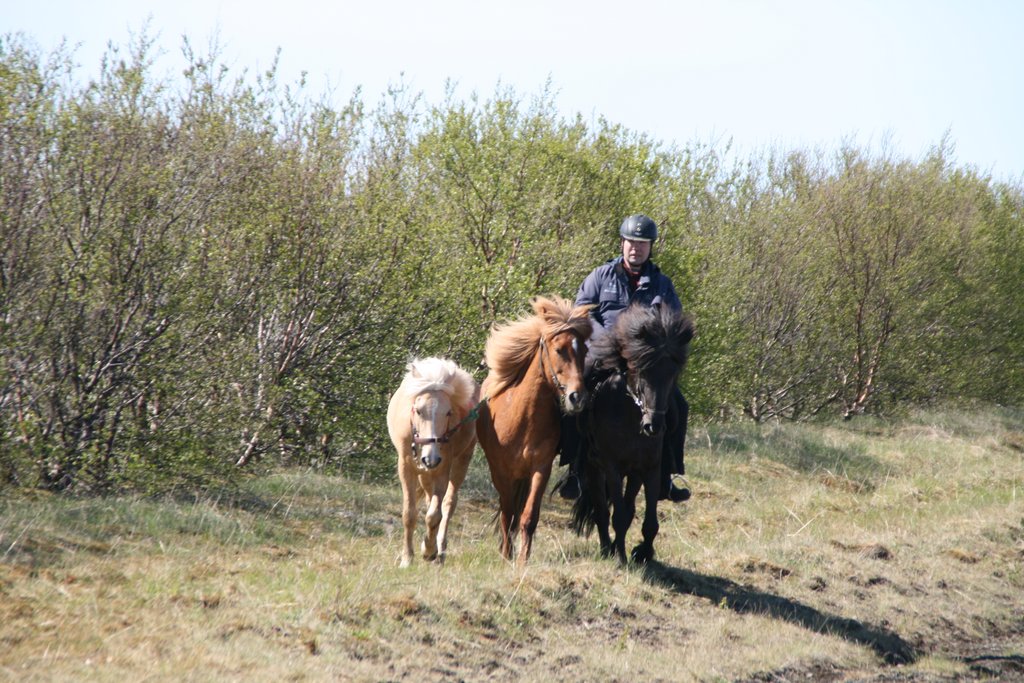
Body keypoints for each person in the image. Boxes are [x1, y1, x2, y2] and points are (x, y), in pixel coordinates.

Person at [558, 213, 691, 503]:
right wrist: (603, 339)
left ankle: (669, 475)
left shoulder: (662, 284)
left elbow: (674, 321)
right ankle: (574, 470)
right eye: (631, 242)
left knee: (679, 405)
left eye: (642, 243)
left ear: (650, 247)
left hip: (643, 363)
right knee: (574, 398)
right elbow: (581, 312)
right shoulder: (600, 277)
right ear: (622, 243)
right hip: (602, 354)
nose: (636, 248)